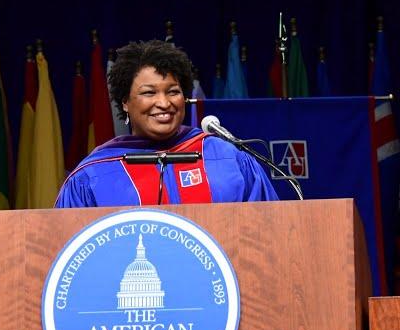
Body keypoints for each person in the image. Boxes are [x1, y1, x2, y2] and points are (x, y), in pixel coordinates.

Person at [55, 39, 278, 207]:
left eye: (173, 92)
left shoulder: (227, 158)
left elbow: (268, 231)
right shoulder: (94, 174)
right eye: (149, 93)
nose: (163, 103)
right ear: (125, 102)